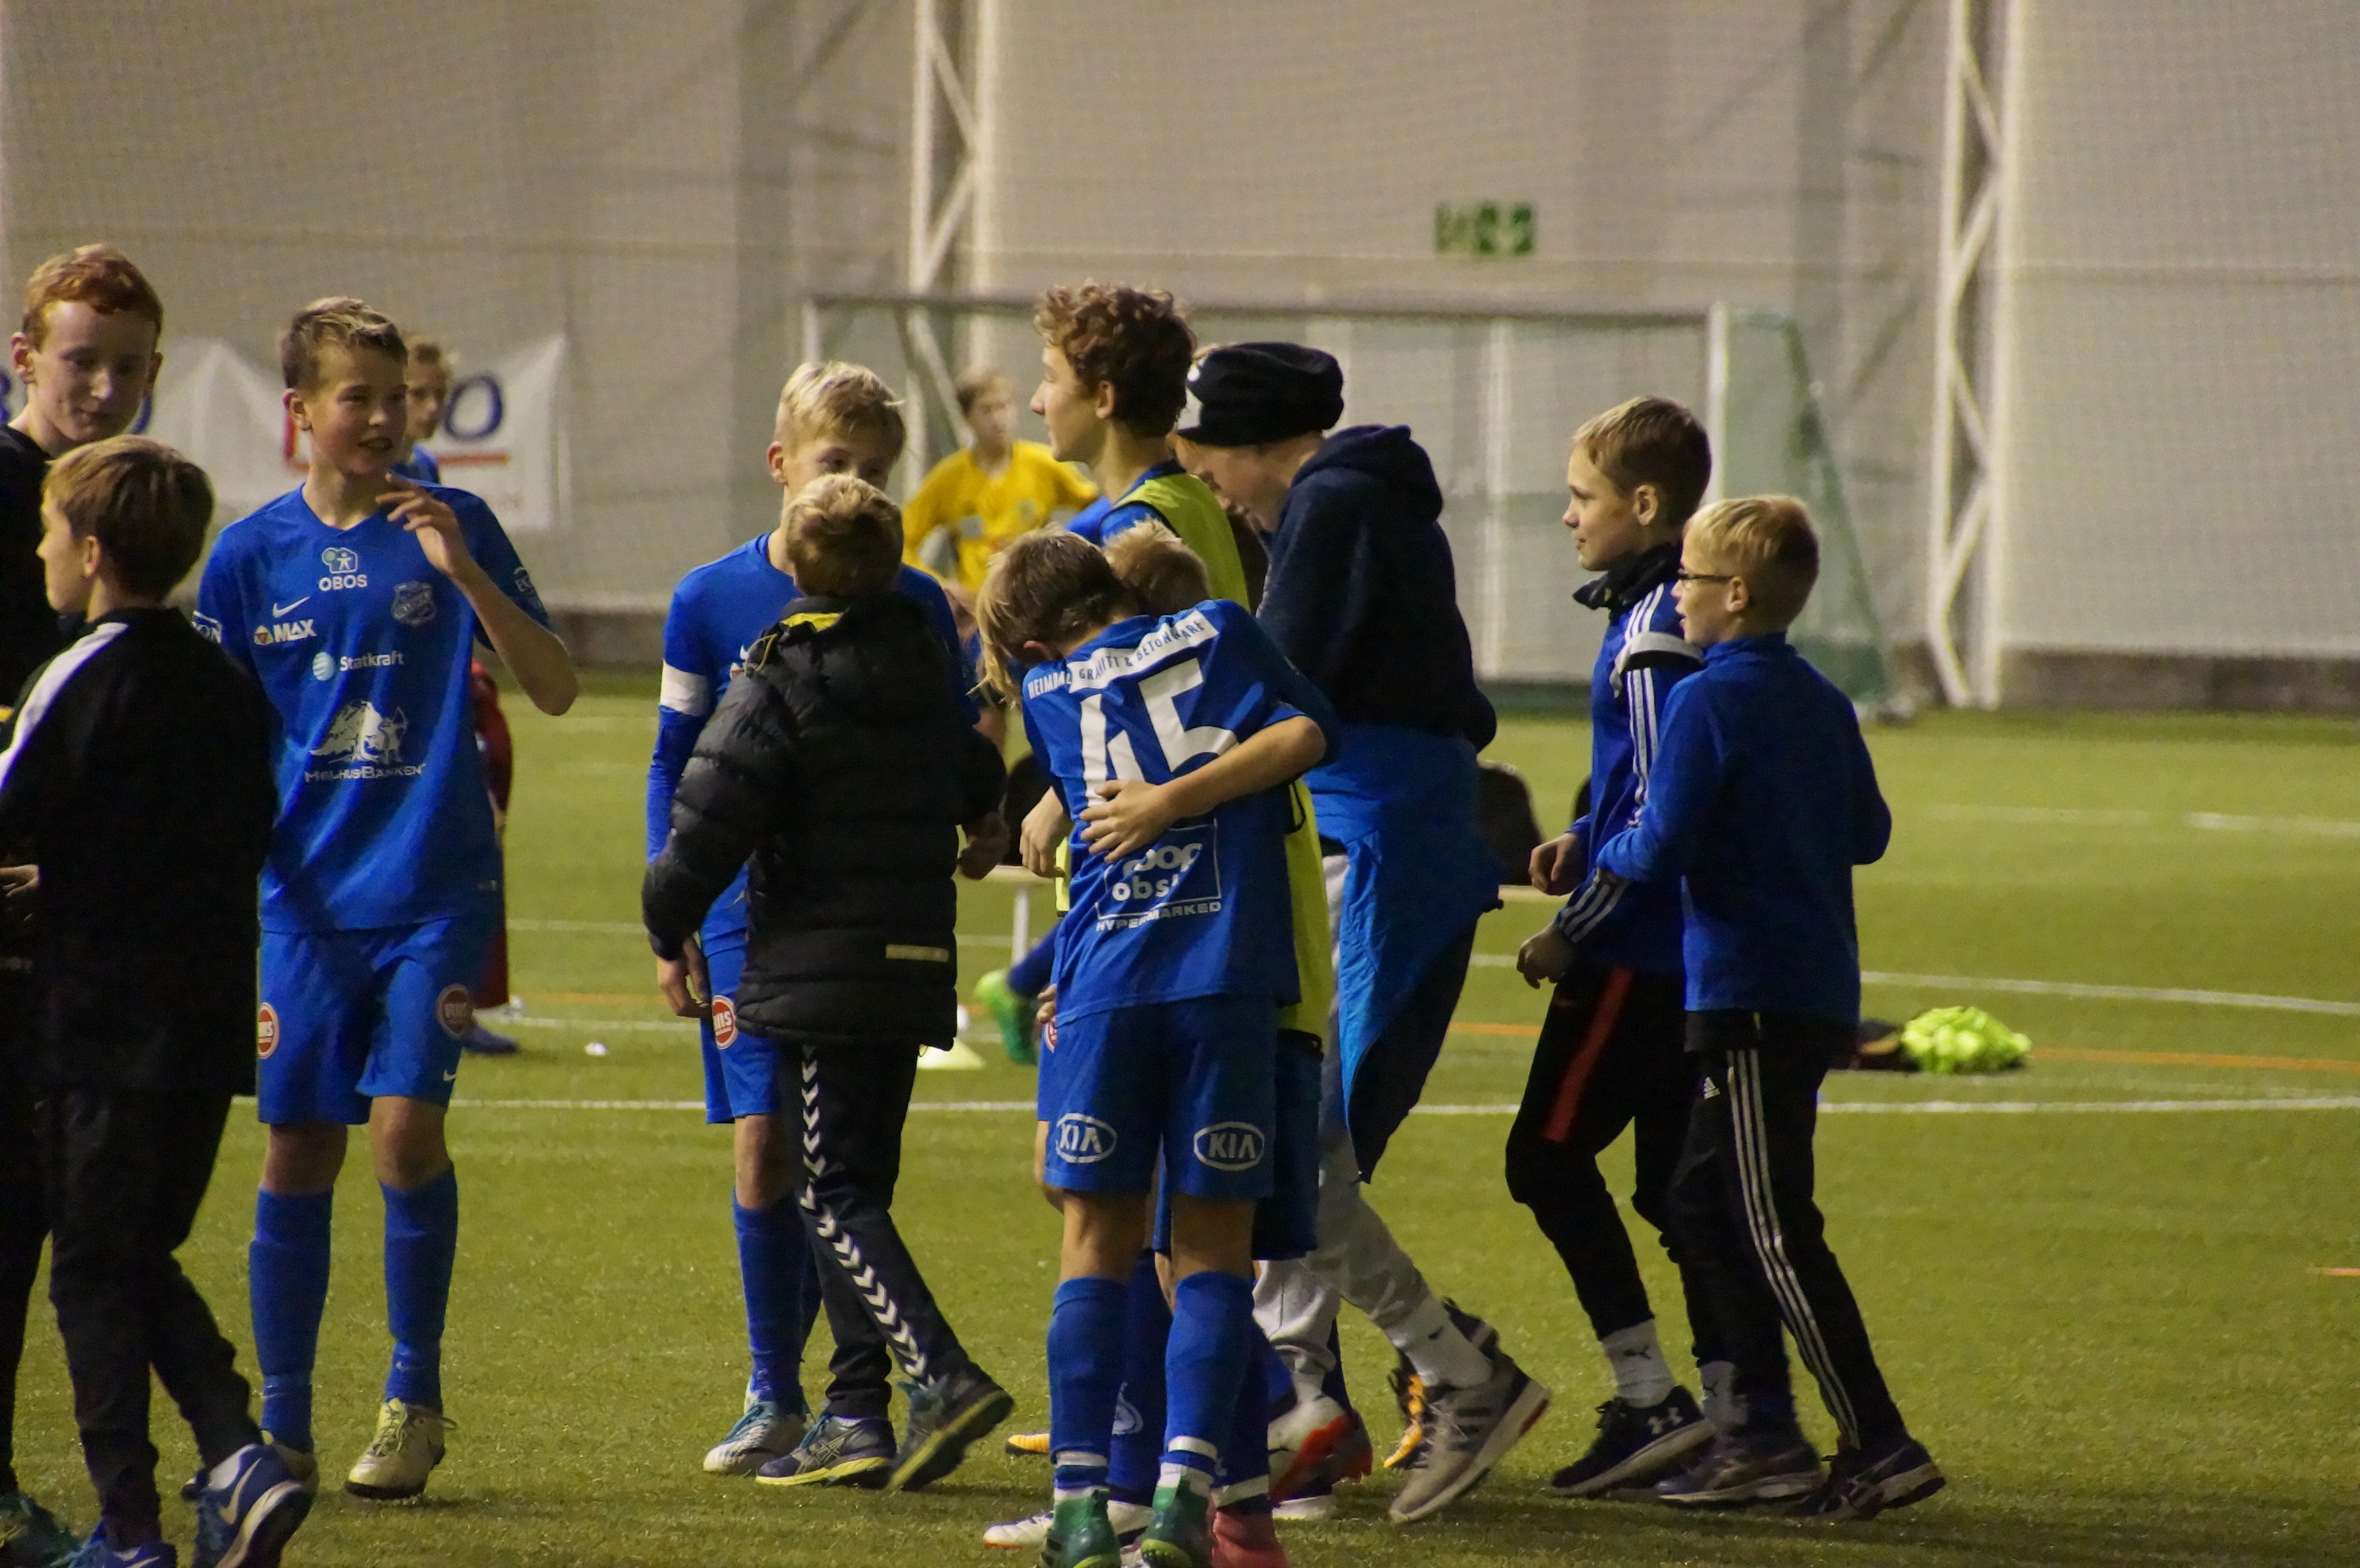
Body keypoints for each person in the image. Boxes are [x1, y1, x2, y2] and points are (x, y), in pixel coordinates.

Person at [197, 298, 577, 1505]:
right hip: (304, 902)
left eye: (395, 397)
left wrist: (467, 576)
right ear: (300, 413)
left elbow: (556, 686)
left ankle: (413, 1398)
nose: (379, 419)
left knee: (406, 1134)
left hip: (433, 890)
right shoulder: (248, 557)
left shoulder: (453, 526)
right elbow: (214, 737)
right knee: (298, 1146)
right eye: (353, 397)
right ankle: (283, 1420)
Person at [1175, 343, 1544, 1524]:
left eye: (1211, 459)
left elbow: (1274, 682)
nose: (1212, 486)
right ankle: (1301, 1410)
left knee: (1297, 1150)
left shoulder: (1333, 503)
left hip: (1375, 850)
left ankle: (1456, 1373)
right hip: (1372, 840)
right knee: (1290, 1148)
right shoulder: (1350, 501)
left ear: (1258, 441)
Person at [647, 361, 993, 1479]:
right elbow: (676, 762)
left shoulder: (915, 604)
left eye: (878, 470)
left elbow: (957, 744)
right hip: (753, 912)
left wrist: (976, 818)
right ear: (781, 463)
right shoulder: (711, 599)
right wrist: (681, 912)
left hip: (829, 921)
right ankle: (783, 1393)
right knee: (772, 1155)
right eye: (838, 462)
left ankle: (861, 1398)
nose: (858, 485)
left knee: (824, 1168)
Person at [977, 528, 1337, 1568]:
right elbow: (1308, 732)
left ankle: (1081, 1507)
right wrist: (1184, 798)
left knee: (1096, 1239)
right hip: (1223, 981)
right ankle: (1187, 1495)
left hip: (1105, 987)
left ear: (1032, 643)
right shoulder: (1219, 630)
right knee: (1215, 1250)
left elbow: (1111, 782)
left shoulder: (1049, 692)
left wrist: (1150, 805)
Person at [1588, 495, 1942, 1519]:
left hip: (1746, 988)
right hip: (1813, 983)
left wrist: (1596, 860)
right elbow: (1867, 832)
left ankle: (1876, 1440)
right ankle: (1760, 1436)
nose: (1675, 596)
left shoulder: (1707, 699)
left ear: (1734, 594)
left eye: (1689, 579)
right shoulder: (1820, 698)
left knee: (1772, 1224)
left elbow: (1661, 844)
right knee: (1701, 1201)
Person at [1, 437, 307, 1568]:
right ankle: (231, 1459)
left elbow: (13, 811)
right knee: (132, 1253)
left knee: (94, 1261)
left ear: (89, 552)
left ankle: (134, 1528)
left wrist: (47, 887)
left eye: (49, 533)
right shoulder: (224, 682)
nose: (40, 553)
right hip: (208, 1025)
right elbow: (242, 832)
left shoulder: (79, 674)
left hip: (97, 1027)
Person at [1508, 397, 1726, 1497]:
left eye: (1580, 496)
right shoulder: (1660, 612)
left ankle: (1653, 1400)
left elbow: (1658, 813)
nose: (1566, 516)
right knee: (1671, 1193)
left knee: (1543, 1160)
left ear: (1643, 505)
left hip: (1635, 954)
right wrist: (1581, 832)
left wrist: (1571, 929)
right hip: (1679, 954)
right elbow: (1640, 784)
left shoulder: (1647, 632)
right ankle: (1737, 1413)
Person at [971, 283, 1251, 1069]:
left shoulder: (1129, 532)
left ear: (1101, 398)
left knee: (1092, 1141)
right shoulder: (1190, 502)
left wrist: (1059, 798)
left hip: (1156, 903)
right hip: (1204, 891)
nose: (1036, 402)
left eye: (1049, 378)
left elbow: (1149, 713)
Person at [0, 244, 166, 1568]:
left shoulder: (125, 508)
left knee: (43, 1213)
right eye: (79, 362)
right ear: (24, 359)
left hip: (77, 926)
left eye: (127, 367)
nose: (103, 389)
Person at [901, 364, 1095, 591]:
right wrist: (939, 587)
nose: (998, 418)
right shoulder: (950, 478)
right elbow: (900, 540)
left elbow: (1099, 504)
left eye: (1004, 406)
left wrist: (1072, 554)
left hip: (1033, 597)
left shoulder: (1043, 464)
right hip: (975, 603)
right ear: (967, 417)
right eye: (987, 410)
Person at [390, 339, 448, 485]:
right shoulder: (363, 470)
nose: (434, 406)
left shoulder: (427, 464)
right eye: (418, 394)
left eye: (440, 394)